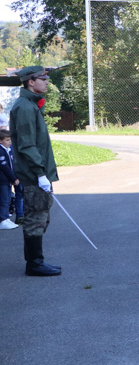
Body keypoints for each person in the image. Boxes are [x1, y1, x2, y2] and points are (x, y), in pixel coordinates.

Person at [9, 66, 60, 276]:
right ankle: (34, 264)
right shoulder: (25, 107)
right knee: (35, 218)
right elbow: (27, 145)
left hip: (36, 174)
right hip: (32, 175)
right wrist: (40, 173)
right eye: (43, 78)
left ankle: (35, 262)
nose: (47, 82)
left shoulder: (30, 104)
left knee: (40, 217)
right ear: (31, 81)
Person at [0, 129, 21, 230]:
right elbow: (5, 167)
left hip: (8, 179)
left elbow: (13, 165)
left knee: (8, 199)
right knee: (4, 200)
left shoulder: (9, 150)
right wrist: (13, 178)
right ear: (0, 141)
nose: (10, 142)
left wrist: (15, 177)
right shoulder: (1, 151)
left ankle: (5, 217)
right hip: (3, 180)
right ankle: (2, 220)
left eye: (10, 140)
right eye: (7, 140)